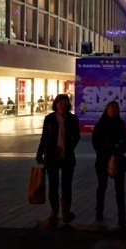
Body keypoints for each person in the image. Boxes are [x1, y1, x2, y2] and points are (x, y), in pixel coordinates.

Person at [36, 93, 81, 225]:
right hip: (52, 157)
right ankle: (54, 211)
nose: (62, 105)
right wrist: (40, 154)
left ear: (68, 105)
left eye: (65, 103)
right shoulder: (49, 118)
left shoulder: (72, 119)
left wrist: (69, 147)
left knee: (67, 185)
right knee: (53, 185)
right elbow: (44, 137)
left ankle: (66, 212)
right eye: (60, 103)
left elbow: (77, 136)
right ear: (55, 104)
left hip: (67, 157)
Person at [91, 100, 126, 227]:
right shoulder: (101, 124)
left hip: (116, 159)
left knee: (119, 189)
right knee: (102, 186)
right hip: (104, 159)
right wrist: (115, 148)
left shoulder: (120, 124)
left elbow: (125, 142)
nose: (113, 111)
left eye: (115, 108)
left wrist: (116, 150)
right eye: (111, 108)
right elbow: (96, 143)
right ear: (106, 109)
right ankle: (100, 210)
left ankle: (121, 216)